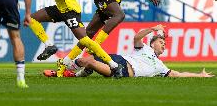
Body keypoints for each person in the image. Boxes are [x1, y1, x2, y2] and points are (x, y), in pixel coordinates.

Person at [44, 24, 214, 78]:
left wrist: (199, 75)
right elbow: (136, 38)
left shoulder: (161, 66)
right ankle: (69, 71)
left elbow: (177, 74)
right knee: (87, 57)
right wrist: (152, 29)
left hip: (125, 71)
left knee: (88, 61)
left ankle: (67, 73)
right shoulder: (144, 48)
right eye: (161, 42)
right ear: (152, 44)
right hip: (118, 58)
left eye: (164, 44)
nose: (163, 45)